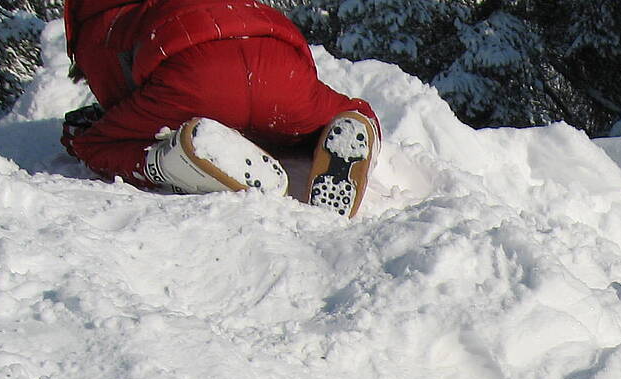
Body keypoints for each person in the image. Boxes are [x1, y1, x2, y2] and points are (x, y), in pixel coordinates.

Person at [60, 0, 381, 217]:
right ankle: (340, 137)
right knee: (351, 112)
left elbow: (119, 100)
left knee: (93, 144)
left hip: (192, 83)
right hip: (279, 68)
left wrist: (92, 130)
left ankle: (178, 159)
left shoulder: (100, 22)